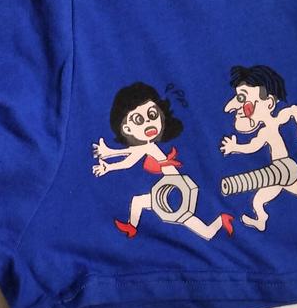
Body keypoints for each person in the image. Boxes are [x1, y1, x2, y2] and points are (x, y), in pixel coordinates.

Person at [92, 82, 234, 240]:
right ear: (127, 129)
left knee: (140, 202)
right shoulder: (147, 147)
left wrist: (109, 156)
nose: (148, 123)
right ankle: (221, 220)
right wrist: (109, 162)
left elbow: (131, 155)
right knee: (205, 231)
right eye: (139, 119)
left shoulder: (149, 147)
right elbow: (130, 159)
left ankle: (132, 227)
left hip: (176, 187)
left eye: (152, 115)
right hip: (171, 189)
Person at [219, 64, 297, 231]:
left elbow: (293, 111)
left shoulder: (270, 127)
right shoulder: (266, 129)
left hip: (284, 167)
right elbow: (254, 144)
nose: (242, 109)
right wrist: (235, 147)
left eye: (244, 100)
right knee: (261, 200)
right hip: (278, 172)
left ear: (268, 103)